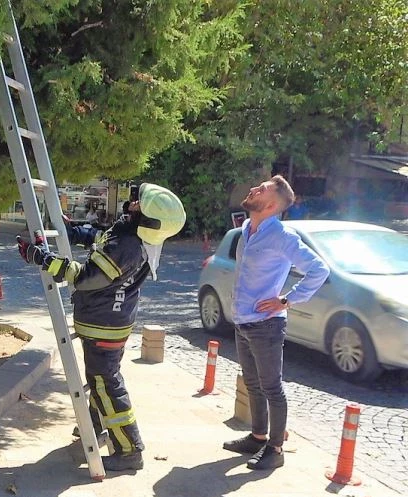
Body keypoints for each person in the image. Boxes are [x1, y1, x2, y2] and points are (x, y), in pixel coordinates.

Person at [17, 184, 186, 471]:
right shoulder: (130, 236)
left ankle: (130, 449)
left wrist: (42, 259)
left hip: (103, 324)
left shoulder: (127, 248)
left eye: (137, 205)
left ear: (147, 220)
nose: (131, 205)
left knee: (106, 384)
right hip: (109, 322)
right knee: (101, 382)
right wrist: (72, 231)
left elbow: (85, 278)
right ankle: (95, 426)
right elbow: (99, 236)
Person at [223, 175, 328, 470]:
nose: (254, 188)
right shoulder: (246, 228)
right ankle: (258, 437)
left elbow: (318, 269)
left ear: (270, 204)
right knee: (253, 384)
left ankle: (275, 449)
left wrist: (287, 299)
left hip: (266, 325)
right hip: (244, 319)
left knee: (271, 387)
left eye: (262, 189)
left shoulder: (283, 236)